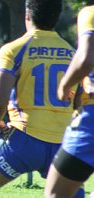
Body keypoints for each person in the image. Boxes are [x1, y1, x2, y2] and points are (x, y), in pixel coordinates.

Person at [0, 0, 85, 197]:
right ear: (58, 17)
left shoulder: (14, 49)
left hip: (23, 140)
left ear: (27, 15)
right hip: (63, 144)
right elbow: (79, 103)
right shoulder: (73, 54)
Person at [44, 5, 94, 198]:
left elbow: (86, 59)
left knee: (56, 194)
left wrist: (64, 86)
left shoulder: (90, 14)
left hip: (91, 123)